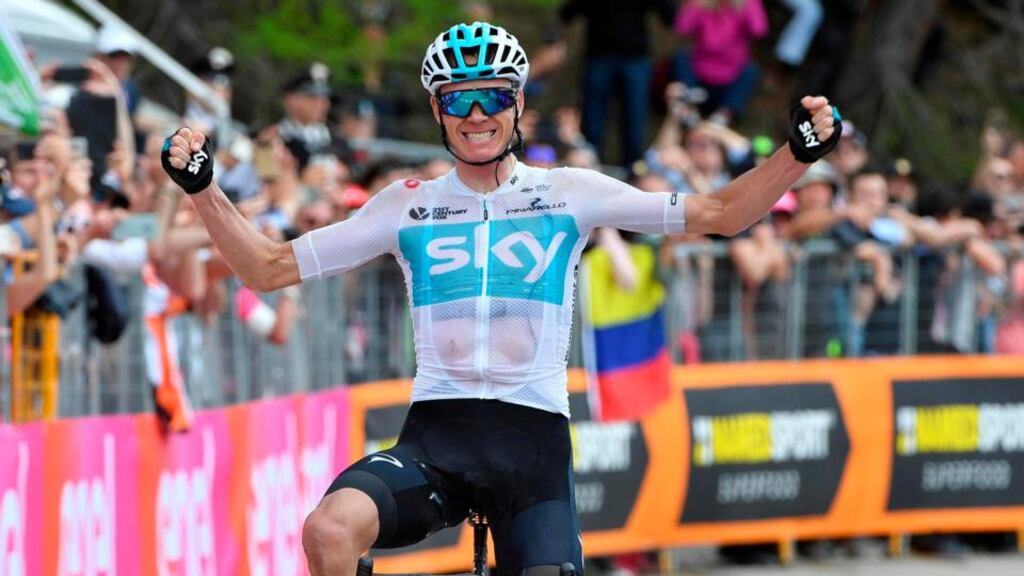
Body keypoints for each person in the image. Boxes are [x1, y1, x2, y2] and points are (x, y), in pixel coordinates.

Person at [160, 21, 841, 576]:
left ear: (519, 105)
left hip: (532, 445)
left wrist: (799, 154)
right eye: (458, 100)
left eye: (493, 97)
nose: (477, 114)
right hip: (436, 440)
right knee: (328, 532)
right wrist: (201, 188)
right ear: (437, 110)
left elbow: (720, 212)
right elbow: (269, 268)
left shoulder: (572, 191)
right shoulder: (407, 205)